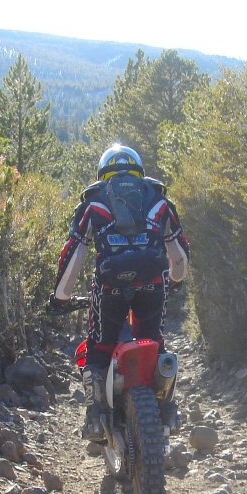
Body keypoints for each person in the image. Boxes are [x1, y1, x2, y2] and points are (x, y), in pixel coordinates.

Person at [49, 144, 190, 441]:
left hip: (110, 286)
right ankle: (166, 411)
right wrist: (174, 281)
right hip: (153, 283)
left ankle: (97, 417)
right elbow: (179, 256)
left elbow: (74, 254)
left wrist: (61, 297)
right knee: (154, 341)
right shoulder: (159, 201)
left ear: (103, 174)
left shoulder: (93, 203)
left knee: (99, 348)